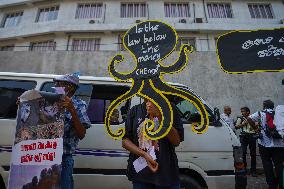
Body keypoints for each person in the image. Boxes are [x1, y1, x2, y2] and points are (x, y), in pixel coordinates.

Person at [122, 99, 184, 189]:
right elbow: (125, 141)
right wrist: (144, 154)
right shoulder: (135, 110)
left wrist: (160, 115)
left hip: (166, 174)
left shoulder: (170, 108)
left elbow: (176, 141)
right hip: (141, 175)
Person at [53, 73, 91, 189]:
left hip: (63, 159)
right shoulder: (48, 100)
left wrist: (72, 110)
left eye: (61, 84)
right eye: (56, 83)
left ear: (71, 87)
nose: (57, 86)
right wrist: (24, 104)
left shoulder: (79, 105)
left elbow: (82, 134)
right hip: (45, 156)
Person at [247, 100, 284, 189]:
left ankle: (271, 185)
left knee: (267, 164)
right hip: (279, 145)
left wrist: (256, 129)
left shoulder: (260, 113)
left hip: (264, 144)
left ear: (264, 106)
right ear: (272, 106)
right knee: (279, 165)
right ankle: (281, 183)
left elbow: (249, 118)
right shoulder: (279, 114)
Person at [235, 107, 257, 177]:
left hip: (252, 136)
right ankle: (244, 169)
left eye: (243, 111)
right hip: (243, 136)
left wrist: (255, 126)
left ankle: (253, 170)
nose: (242, 113)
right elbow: (236, 127)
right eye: (241, 111)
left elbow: (257, 126)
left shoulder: (253, 117)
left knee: (253, 154)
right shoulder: (240, 118)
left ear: (248, 112)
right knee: (243, 152)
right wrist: (243, 124)